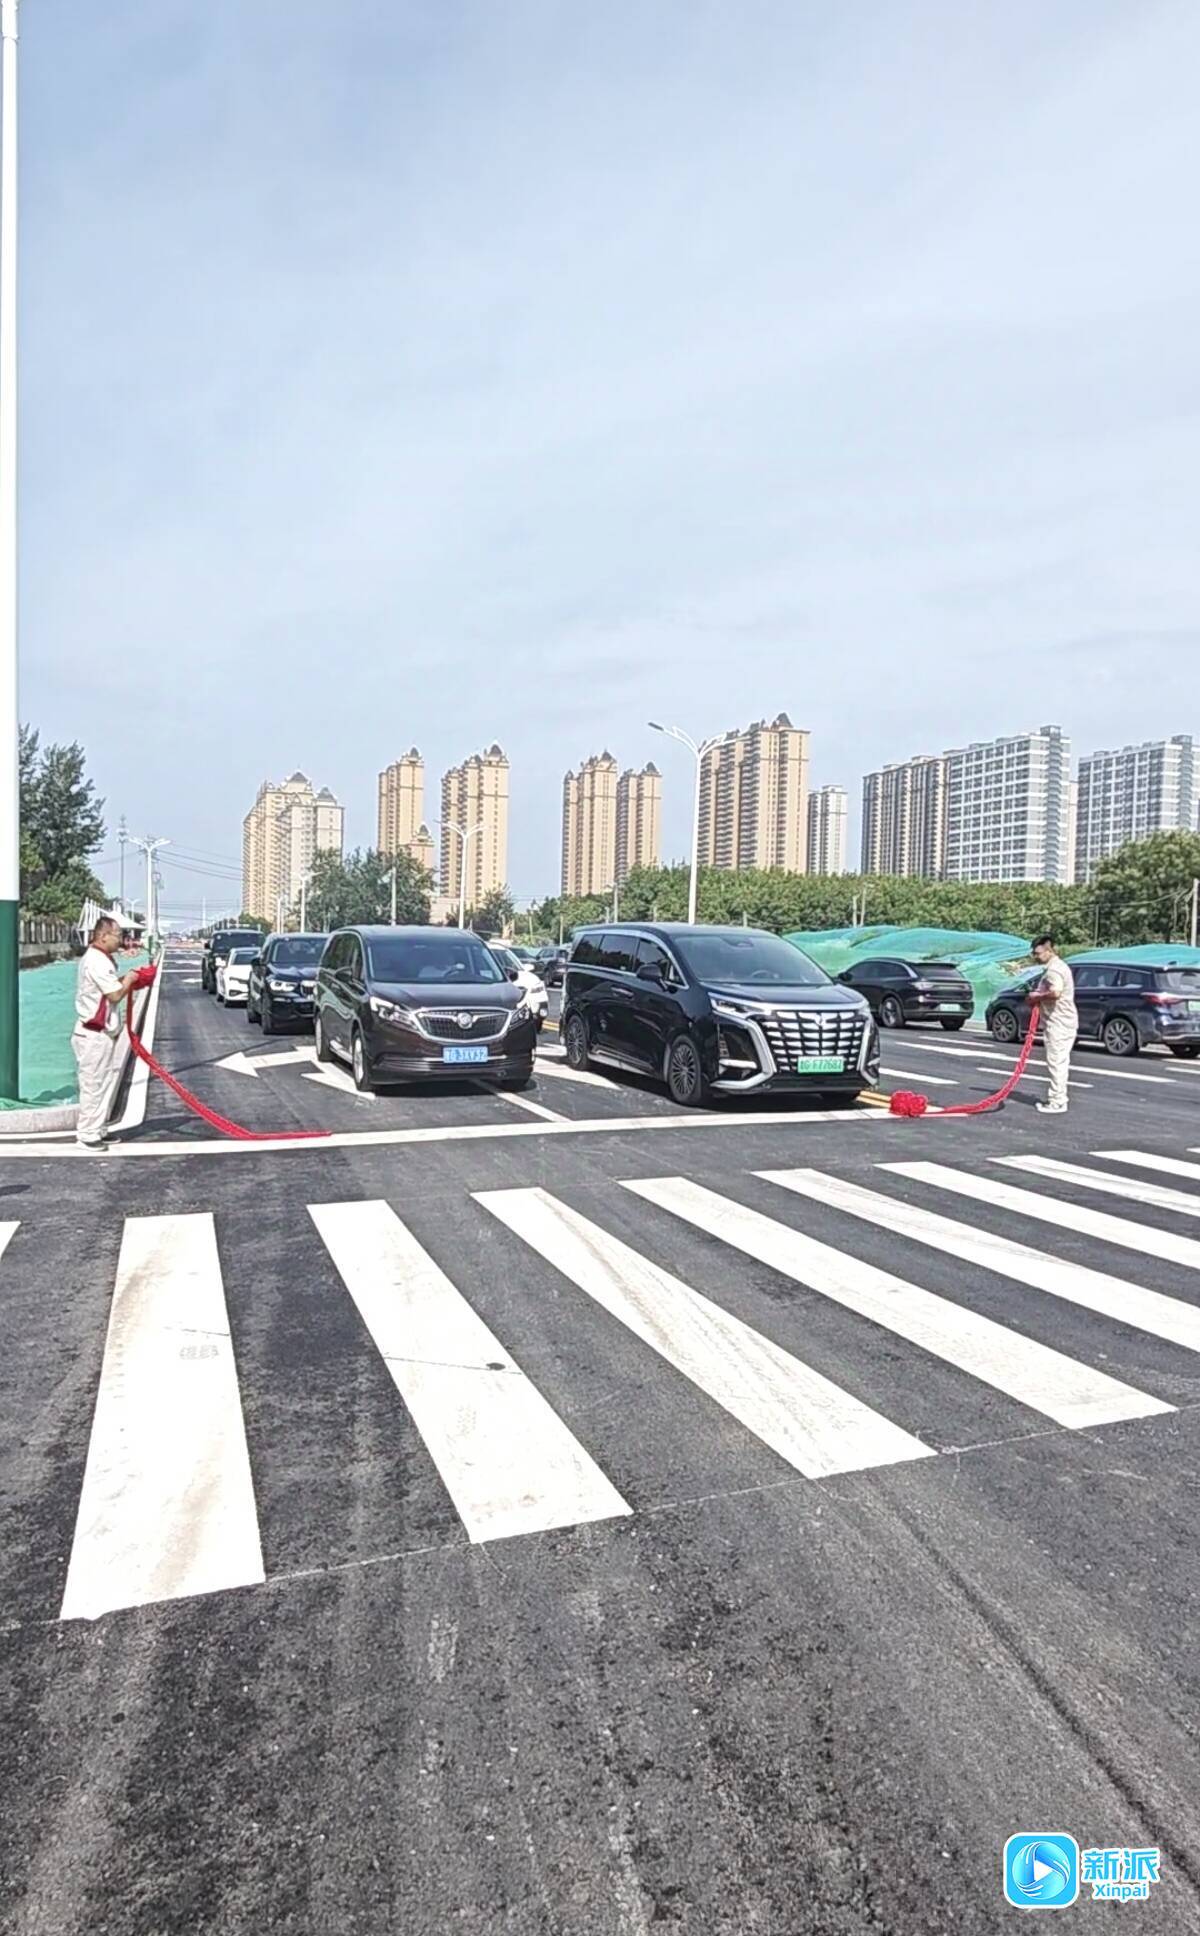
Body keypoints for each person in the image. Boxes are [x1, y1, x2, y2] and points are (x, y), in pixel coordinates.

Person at [72, 916, 143, 1150]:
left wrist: (128, 980)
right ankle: (87, 1134)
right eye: (118, 935)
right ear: (103, 936)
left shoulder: (101, 959)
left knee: (103, 1083)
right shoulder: (97, 961)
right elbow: (114, 995)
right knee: (93, 1085)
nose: (121, 940)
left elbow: (110, 988)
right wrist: (129, 979)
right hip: (94, 1034)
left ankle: (99, 1129)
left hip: (101, 1033)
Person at [1028, 933, 1077, 1115]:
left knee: (1056, 1062)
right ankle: (1058, 1097)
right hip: (1064, 1021)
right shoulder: (1059, 966)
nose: (1035, 957)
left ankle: (1057, 1101)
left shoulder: (1054, 970)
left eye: (1038, 953)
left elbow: (1056, 992)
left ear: (1049, 950)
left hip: (1059, 1022)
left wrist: (1037, 996)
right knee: (1060, 1061)